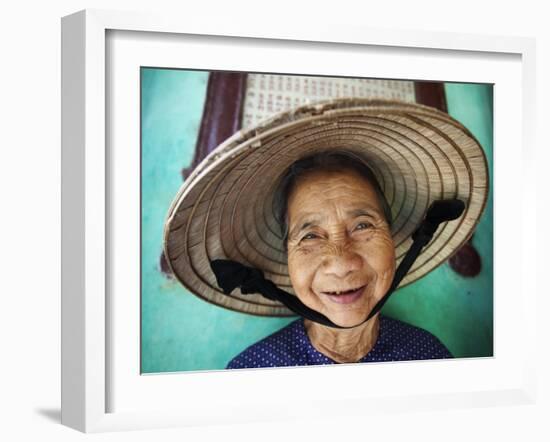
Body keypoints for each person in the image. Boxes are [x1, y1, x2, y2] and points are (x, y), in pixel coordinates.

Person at [163, 98, 488, 369]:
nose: (341, 263)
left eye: (363, 226)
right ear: (287, 258)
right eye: (310, 236)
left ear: (393, 239)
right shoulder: (252, 372)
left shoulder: (429, 357)